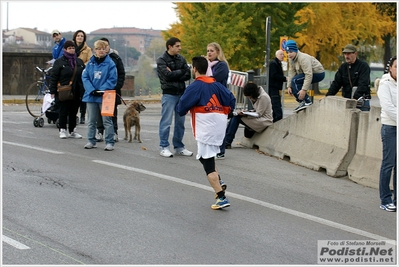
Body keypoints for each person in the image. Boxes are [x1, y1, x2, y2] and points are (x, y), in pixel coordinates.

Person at [177, 56, 236, 210]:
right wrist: (224, 113)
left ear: (194, 69)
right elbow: (232, 100)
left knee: (207, 162)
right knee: (206, 156)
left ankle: (221, 197)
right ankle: (220, 181)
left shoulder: (195, 86)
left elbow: (181, 108)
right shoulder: (217, 85)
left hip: (205, 129)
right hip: (219, 127)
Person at [156, 37, 192, 157]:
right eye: (177, 46)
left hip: (181, 93)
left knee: (180, 122)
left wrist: (175, 73)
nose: (180, 48)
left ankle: (179, 146)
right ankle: (164, 146)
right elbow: (167, 76)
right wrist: (180, 71)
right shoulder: (161, 60)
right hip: (169, 93)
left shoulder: (181, 58)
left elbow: (188, 74)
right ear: (169, 47)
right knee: (166, 121)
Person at [217, 82, 273, 159]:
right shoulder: (256, 96)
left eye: (249, 96)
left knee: (237, 117)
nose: (249, 98)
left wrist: (246, 114)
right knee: (236, 116)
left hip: (264, 121)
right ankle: (226, 140)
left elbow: (259, 113)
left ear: (253, 93)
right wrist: (246, 112)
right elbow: (256, 110)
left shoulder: (263, 97)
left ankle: (227, 141)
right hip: (258, 118)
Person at [81, 40, 117, 151]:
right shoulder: (90, 63)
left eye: (103, 48)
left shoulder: (110, 64)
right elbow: (85, 77)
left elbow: (112, 79)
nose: (101, 51)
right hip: (91, 95)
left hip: (105, 96)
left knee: (107, 120)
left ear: (106, 49)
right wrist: (91, 89)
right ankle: (91, 140)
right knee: (91, 120)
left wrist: (101, 90)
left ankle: (110, 141)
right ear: (95, 50)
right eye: (98, 49)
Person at [49, 40, 85, 139]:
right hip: (64, 90)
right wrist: (52, 91)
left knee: (74, 111)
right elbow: (54, 77)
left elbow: (84, 75)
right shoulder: (59, 62)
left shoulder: (79, 61)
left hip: (77, 90)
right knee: (63, 111)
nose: (71, 50)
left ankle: (73, 130)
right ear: (65, 49)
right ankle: (62, 129)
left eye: (73, 48)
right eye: (69, 48)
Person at [95, 37, 126, 143]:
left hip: (112, 90)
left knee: (112, 112)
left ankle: (114, 132)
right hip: (99, 90)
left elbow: (121, 74)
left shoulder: (115, 58)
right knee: (99, 112)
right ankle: (100, 131)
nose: (103, 48)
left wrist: (117, 86)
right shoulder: (96, 59)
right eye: (101, 47)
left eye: (105, 46)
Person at [325, 44, 371, 111]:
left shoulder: (363, 66)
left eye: (349, 54)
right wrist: (327, 97)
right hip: (347, 101)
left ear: (355, 53)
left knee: (362, 120)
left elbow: (363, 84)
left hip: (361, 102)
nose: (346, 56)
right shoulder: (343, 67)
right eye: (345, 54)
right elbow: (336, 84)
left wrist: (355, 98)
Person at [377, 56, 397, 212]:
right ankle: (385, 199)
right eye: (396, 66)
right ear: (390, 68)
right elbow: (388, 107)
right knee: (388, 164)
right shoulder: (385, 84)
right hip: (390, 128)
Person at [285, 40, 325, 112]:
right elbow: (291, 72)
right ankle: (302, 102)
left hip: (318, 73)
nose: (289, 54)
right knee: (293, 83)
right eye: (287, 52)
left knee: (295, 80)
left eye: (291, 52)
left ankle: (307, 101)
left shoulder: (303, 58)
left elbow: (308, 74)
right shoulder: (291, 59)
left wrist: (304, 90)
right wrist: (289, 86)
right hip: (308, 74)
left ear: (296, 50)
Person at [73, 29, 93, 124]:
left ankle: (82, 114)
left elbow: (90, 60)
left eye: (81, 36)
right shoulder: (71, 48)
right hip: (72, 74)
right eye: (78, 36)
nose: (80, 37)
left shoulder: (88, 49)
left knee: (82, 95)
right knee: (74, 95)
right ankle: (74, 113)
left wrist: (82, 66)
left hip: (82, 74)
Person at [269, 50, 287, 122]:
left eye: (283, 54)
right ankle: (277, 120)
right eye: (281, 54)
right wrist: (284, 78)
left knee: (276, 105)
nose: (282, 56)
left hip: (275, 87)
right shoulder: (274, 64)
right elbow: (274, 75)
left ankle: (276, 119)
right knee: (276, 105)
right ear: (276, 55)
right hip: (273, 87)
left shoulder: (277, 63)